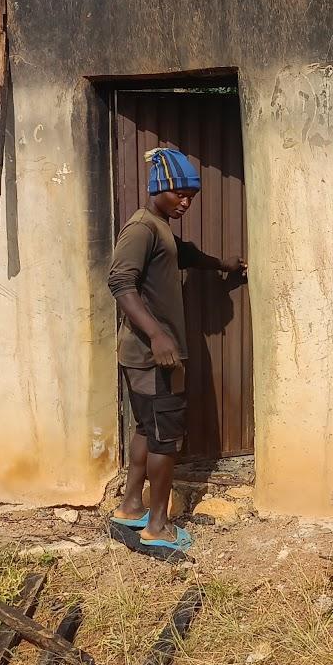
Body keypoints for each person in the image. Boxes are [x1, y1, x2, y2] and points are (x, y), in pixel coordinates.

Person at [106, 144, 245, 556]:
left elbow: (184, 255)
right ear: (159, 189)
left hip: (147, 357)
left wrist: (224, 263)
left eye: (191, 196)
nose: (186, 202)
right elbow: (120, 283)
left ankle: (132, 507)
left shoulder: (159, 226)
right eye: (179, 194)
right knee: (166, 439)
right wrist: (158, 335)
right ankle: (158, 526)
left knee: (148, 429)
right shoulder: (142, 229)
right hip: (154, 357)